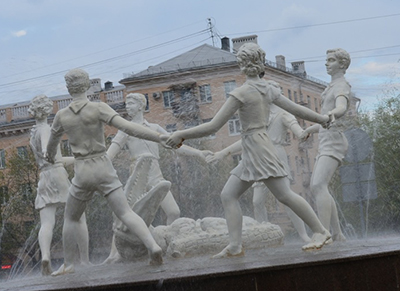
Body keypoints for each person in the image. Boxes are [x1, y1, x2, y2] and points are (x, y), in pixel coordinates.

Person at [166, 43, 332, 258]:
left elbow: (214, 126)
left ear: (241, 65)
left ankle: (320, 231)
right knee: (229, 194)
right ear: (261, 64)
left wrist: (181, 134)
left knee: (284, 194)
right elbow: (296, 109)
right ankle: (235, 245)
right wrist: (321, 118)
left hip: (256, 147)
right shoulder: (268, 89)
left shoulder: (241, 93)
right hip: (256, 145)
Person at [46, 68, 166, 276]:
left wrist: (49, 156)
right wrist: (159, 137)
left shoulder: (61, 116)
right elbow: (129, 127)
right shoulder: (98, 108)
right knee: (125, 212)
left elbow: (51, 146)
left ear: (68, 88)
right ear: (88, 86)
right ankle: (152, 246)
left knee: (71, 219)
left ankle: (68, 264)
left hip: (82, 170)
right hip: (103, 166)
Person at [104, 92, 208, 263]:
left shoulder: (154, 128)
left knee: (174, 211)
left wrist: (199, 153)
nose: (127, 106)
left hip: (155, 173)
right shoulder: (125, 129)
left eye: (130, 103)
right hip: (138, 175)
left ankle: (165, 242)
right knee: (125, 216)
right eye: (126, 103)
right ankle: (114, 253)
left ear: (140, 106)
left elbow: (176, 146)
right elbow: (111, 154)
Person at [206, 102, 311, 242]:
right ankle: (265, 233)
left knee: (287, 199)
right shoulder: (259, 115)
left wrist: (302, 134)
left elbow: (295, 128)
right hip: (256, 156)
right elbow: (246, 140)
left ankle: (304, 235)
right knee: (257, 201)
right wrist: (223, 153)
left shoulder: (282, 113)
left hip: (275, 156)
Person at [29, 94, 90, 276]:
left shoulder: (33, 133)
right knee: (79, 216)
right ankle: (85, 260)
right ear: (48, 110)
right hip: (57, 174)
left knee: (46, 222)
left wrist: (79, 158)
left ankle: (46, 256)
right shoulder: (46, 129)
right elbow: (50, 154)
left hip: (44, 176)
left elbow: (51, 158)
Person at [300, 48, 351, 242]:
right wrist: (309, 130)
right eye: (326, 60)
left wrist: (333, 114)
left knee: (317, 185)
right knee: (322, 188)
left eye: (331, 60)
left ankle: (323, 234)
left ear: (342, 64)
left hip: (334, 141)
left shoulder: (341, 86)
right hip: (326, 139)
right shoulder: (331, 86)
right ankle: (337, 233)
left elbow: (341, 107)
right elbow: (326, 118)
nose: (326, 63)